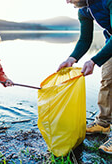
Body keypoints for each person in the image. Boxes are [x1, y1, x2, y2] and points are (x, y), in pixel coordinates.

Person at [57, 0, 112, 154]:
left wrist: (94, 61)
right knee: (107, 81)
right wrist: (71, 58)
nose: (67, 1)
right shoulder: (83, 10)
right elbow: (85, 40)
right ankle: (103, 124)